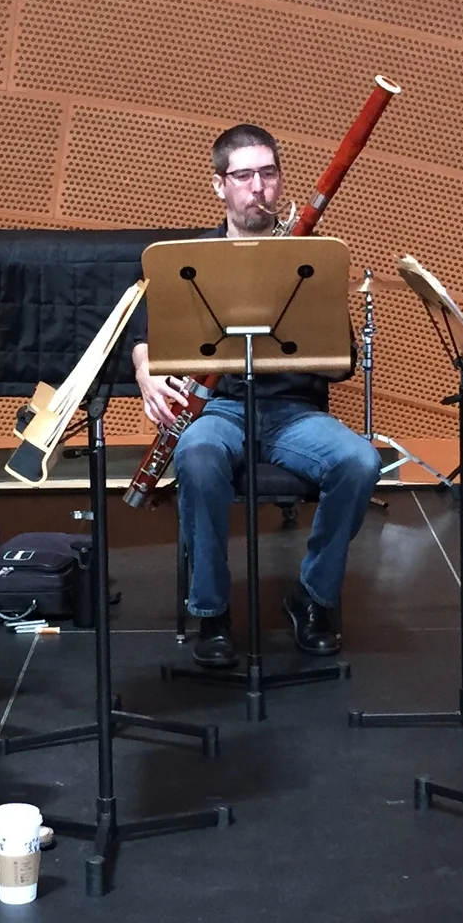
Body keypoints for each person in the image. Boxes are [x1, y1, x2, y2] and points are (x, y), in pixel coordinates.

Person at [131, 123, 381, 663]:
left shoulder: (306, 256)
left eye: (268, 173)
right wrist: (145, 369)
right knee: (196, 457)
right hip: (218, 408)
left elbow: (340, 364)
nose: (258, 187)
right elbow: (144, 335)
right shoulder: (189, 258)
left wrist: (315, 303)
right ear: (219, 185)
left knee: (360, 462)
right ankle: (211, 611)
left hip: (293, 412)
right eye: (243, 175)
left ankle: (313, 597)